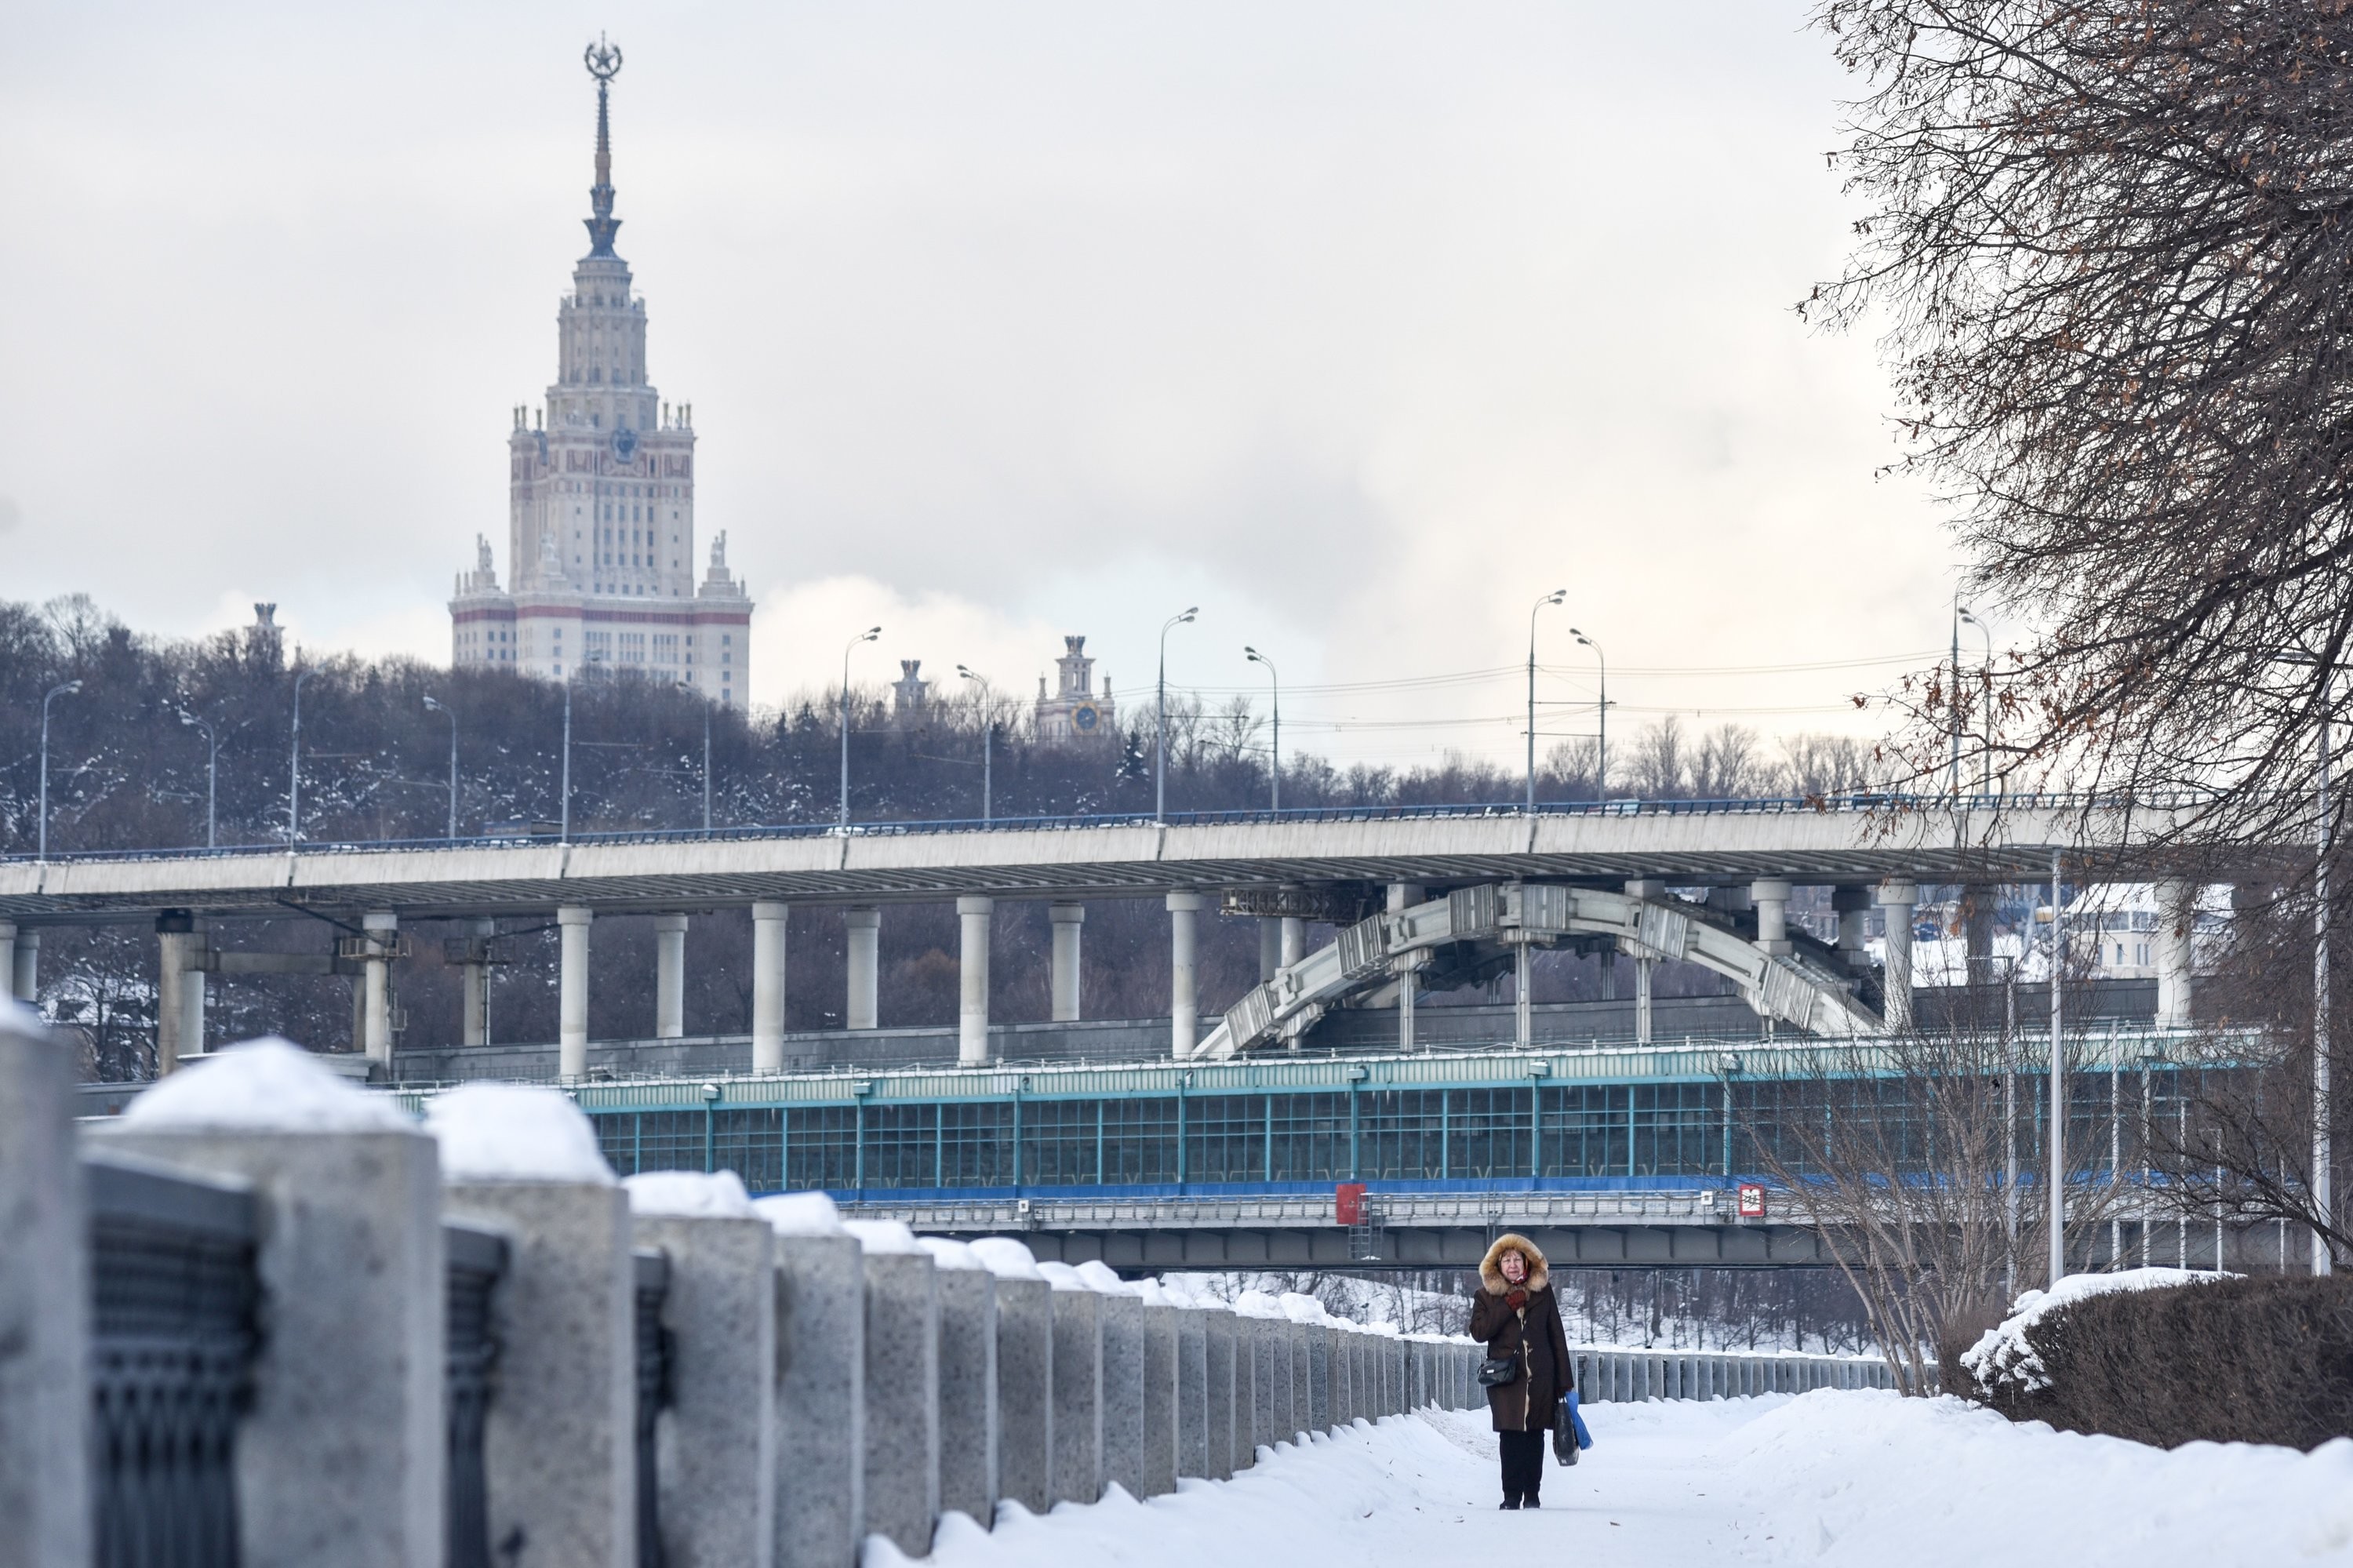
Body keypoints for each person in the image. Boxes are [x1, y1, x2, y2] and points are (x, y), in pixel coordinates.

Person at [1468, 1231, 1574, 1510]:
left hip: (1540, 1376)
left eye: (1517, 1259)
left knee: (1535, 1435)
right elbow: (1479, 1332)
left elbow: (1557, 1337)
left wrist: (1564, 1380)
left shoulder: (1543, 1293)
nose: (1512, 1264)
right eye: (1506, 1260)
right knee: (1510, 1436)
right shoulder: (1485, 1296)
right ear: (1497, 1265)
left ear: (1527, 1263)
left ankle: (1533, 1494)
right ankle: (1511, 1495)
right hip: (1506, 1378)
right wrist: (1507, 1306)